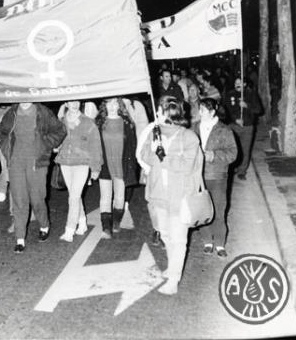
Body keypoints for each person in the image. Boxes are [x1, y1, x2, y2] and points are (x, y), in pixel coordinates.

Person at [139, 95, 203, 295]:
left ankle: (174, 280)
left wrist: (163, 157)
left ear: (167, 113)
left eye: (158, 111)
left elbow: (187, 166)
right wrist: (155, 153)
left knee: (179, 239)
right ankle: (172, 267)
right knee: (165, 234)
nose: (155, 114)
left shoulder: (189, 137)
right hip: (158, 194)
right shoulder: (154, 133)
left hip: (180, 197)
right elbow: (143, 155)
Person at [0, 102, 66, 253]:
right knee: (19, 200)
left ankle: (44, 225)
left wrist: (45, 145)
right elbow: (0, 132)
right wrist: (8, 151)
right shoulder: (12, 112)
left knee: (37, 199)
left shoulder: (43, 111)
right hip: (16, 162)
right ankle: (20, 238)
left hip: (37, 163)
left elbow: (60, 130)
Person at [55, 101, 101, 242]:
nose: (74, 104)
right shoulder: (61, 122)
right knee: (75, 195)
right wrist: (55, 146)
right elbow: (55, 140)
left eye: (77, 101)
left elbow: (95, 146)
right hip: (65, 162)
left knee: (74, 197)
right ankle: (82, 221)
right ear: (66, 103)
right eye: (71, 102)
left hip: (82, 163)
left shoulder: (88, 122)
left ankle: (69, 229)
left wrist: (95, 167)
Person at [196, 98, 237, 258]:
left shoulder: (224, 130)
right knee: (202, 210)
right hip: (198, 176)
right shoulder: (194, 128)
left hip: (218, 176)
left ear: (212, 112)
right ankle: (207, 240)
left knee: (219, 210)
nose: (199, 113)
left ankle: (220, 243)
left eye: (203, 110)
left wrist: (213, 155)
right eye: (199, 109)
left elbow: (233, 153)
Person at [95, 97, 139, 238]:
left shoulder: (127, 123)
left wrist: (133, 167)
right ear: (105, 105)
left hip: (122, 164)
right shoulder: (99, 123)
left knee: (120, 198)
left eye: (115, 103)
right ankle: (106, 228)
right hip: (105, 164)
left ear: (120, 105)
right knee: (105, 197)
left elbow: (132, 146)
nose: (113, 106)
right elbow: (94, 146)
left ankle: (116, 222)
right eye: (109, 103)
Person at [224, 77, 262, 180]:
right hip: (233, 126)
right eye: (236, 82)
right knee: (231, 148)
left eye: (240, 82)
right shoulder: (230, 94)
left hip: (248, 127)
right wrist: (235, 119)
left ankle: (242, 171)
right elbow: (226, 110)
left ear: (244, 84)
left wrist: (246, 105)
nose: (237, 84)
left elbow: (258, 110)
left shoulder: (251, 94)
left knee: (245, 150)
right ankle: (230, 168)